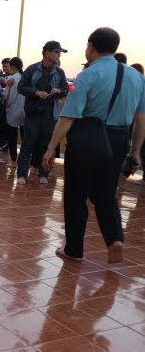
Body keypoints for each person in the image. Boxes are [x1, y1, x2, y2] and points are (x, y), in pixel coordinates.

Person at [43, 27, 145, 264]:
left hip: (87, 139)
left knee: (76, 194)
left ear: (91, 46)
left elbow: (68, 117)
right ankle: (115, 239)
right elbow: (141, 120)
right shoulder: (136, 77)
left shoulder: (87, 75)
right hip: (119, 139)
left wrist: (50, 148)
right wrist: (135, 151)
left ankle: (74, 249)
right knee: (106, 194)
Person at [16, 41, 68, 185]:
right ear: (47, 53)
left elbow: (65, 90)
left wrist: (59, 92)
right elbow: (21, 87)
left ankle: (43, 173)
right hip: (33, 112)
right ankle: (21, 174)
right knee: (28, 144)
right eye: (56, 52)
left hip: (50, 113)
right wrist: (35, 92)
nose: (58, 55)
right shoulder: (32, 69)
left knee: (46, 145)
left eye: (59, 53)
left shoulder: (59, 72)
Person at [1, 57, 25, 162]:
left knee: (12, 137)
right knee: (24, 137)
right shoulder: (24, 78)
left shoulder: (12, 79)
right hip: (24, 111)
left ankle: (14, 159)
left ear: (12, 66)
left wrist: (6, 106)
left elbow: (10, 98)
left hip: (13, 111)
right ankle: (24, 158)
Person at [0, 58, 12, 153]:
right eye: (3, 66)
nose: (5, 68)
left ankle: (4, 145)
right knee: (2, 124)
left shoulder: (15, 77)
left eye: (6, 66)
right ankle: (2, 144)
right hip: (2, 105)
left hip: (10, 105)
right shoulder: (1, 77)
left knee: (6, 125)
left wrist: (5, 81)